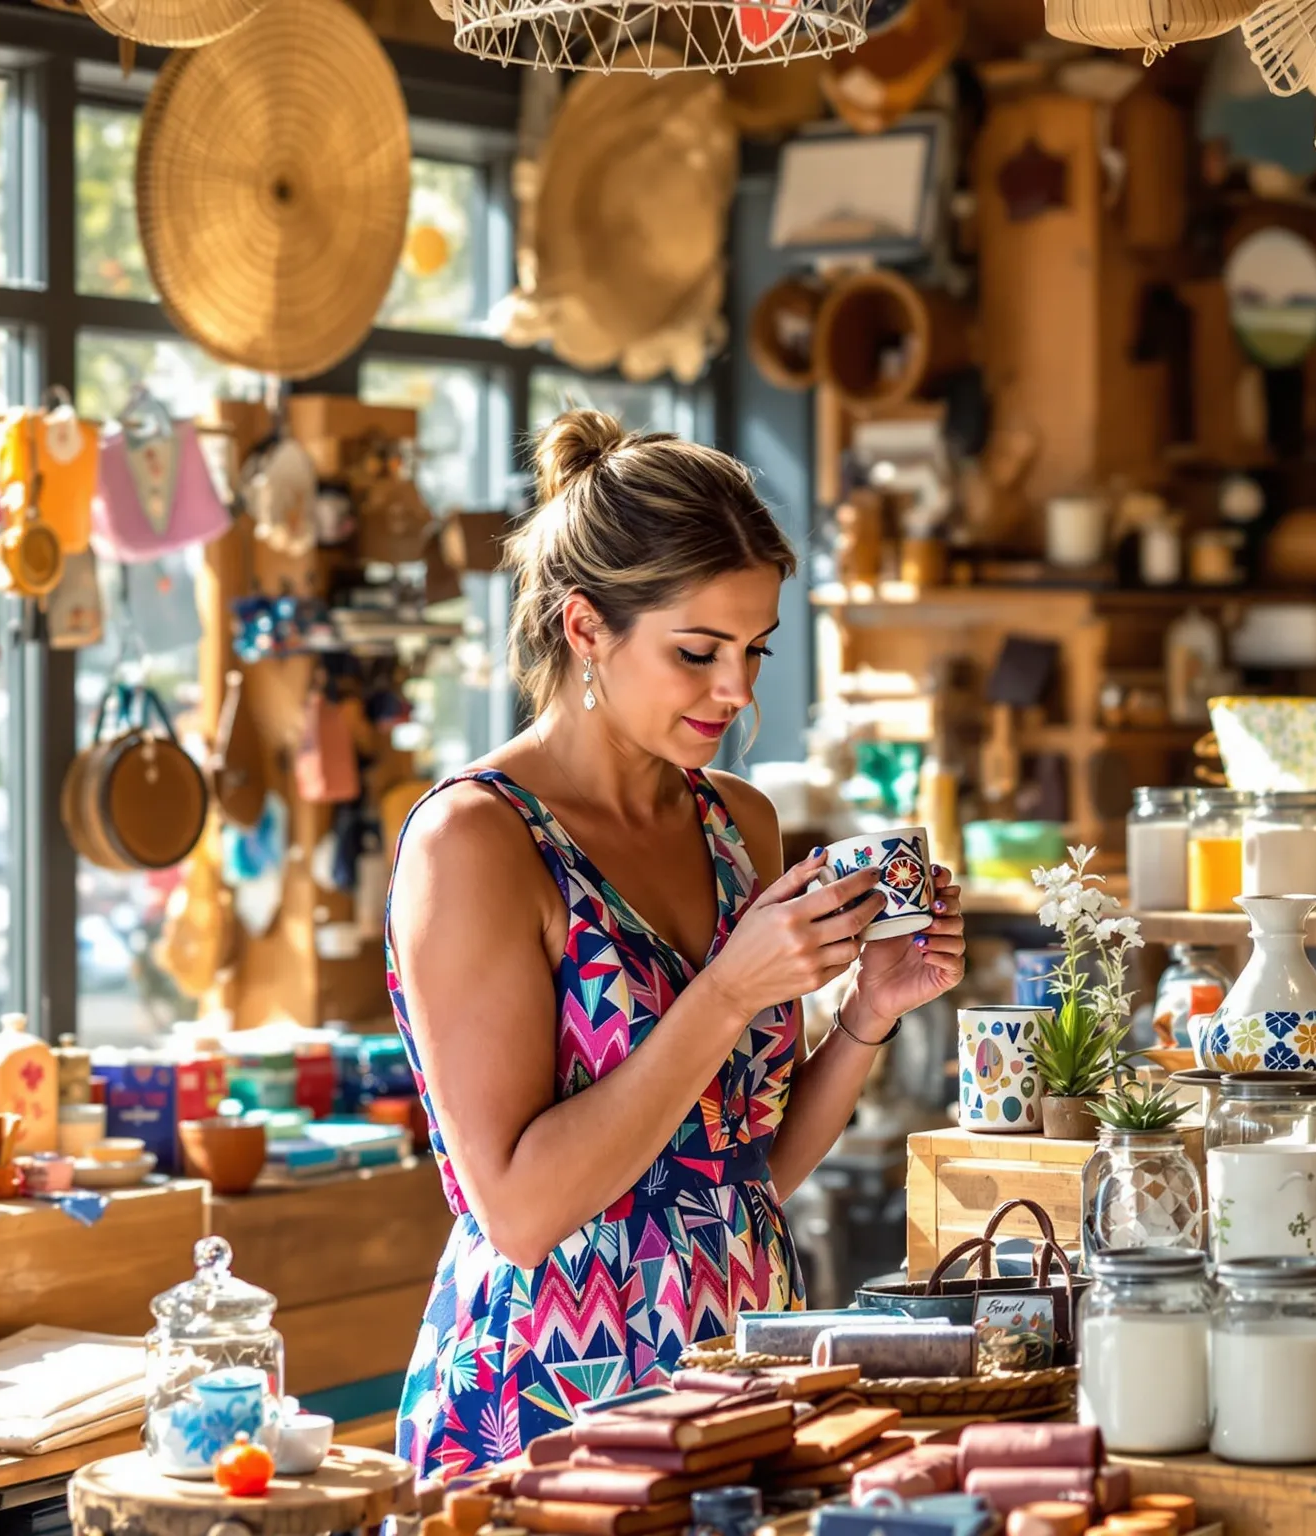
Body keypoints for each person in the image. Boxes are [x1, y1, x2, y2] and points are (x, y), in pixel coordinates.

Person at [386, 410, 968, 1479]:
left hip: (740, 1379)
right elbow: (517, 1212)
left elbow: (745, 1177)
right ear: (584, 629)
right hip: (551, 1410)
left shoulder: (735, 823)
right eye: (697, 652)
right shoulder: (477, 841)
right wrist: (727, 995)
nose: (737, 690)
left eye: (753, 650)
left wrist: (866, 1013)